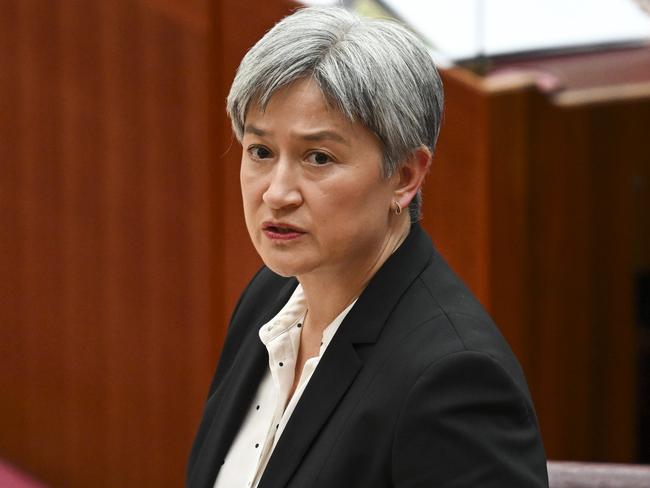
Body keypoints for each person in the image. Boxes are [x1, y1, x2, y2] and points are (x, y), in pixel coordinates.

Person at [187, 6, 548, 488]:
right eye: (261, 152)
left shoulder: (454, 380)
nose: (276, 193)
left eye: (318, 157)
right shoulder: (270, 295)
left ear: (405, 176)